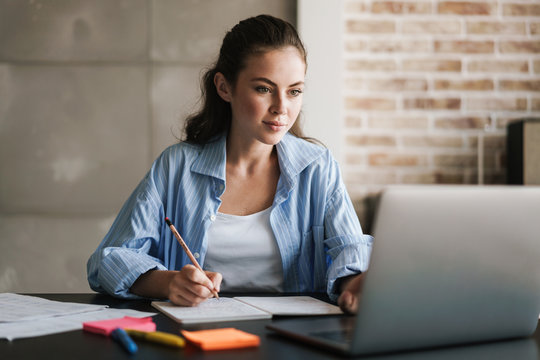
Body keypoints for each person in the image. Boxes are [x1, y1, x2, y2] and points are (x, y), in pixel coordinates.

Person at [87, 14, 372, 314]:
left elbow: (350, 252)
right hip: (198, 336)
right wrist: (169, 282)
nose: (282, 107)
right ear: (224, 88)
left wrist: (353, 282)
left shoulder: (318, 168)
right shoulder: (177, 167)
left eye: (294, 91)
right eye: (263, 88)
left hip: (291, 337)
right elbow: (108, 260)